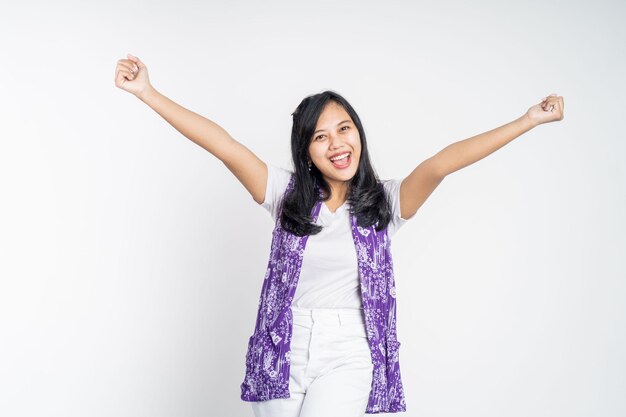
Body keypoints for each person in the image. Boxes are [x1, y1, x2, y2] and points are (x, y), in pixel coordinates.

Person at [114, 53, 565, 417]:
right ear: (307, 152)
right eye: (320, 137)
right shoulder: (284, 193)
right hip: (280, 345)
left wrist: (527, 120)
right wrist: (148, 93)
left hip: (349, 349)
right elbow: (223, 144)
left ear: (358, 134)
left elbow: (441, 163)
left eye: (344, 129)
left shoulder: (384, 205)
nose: (336, 144)